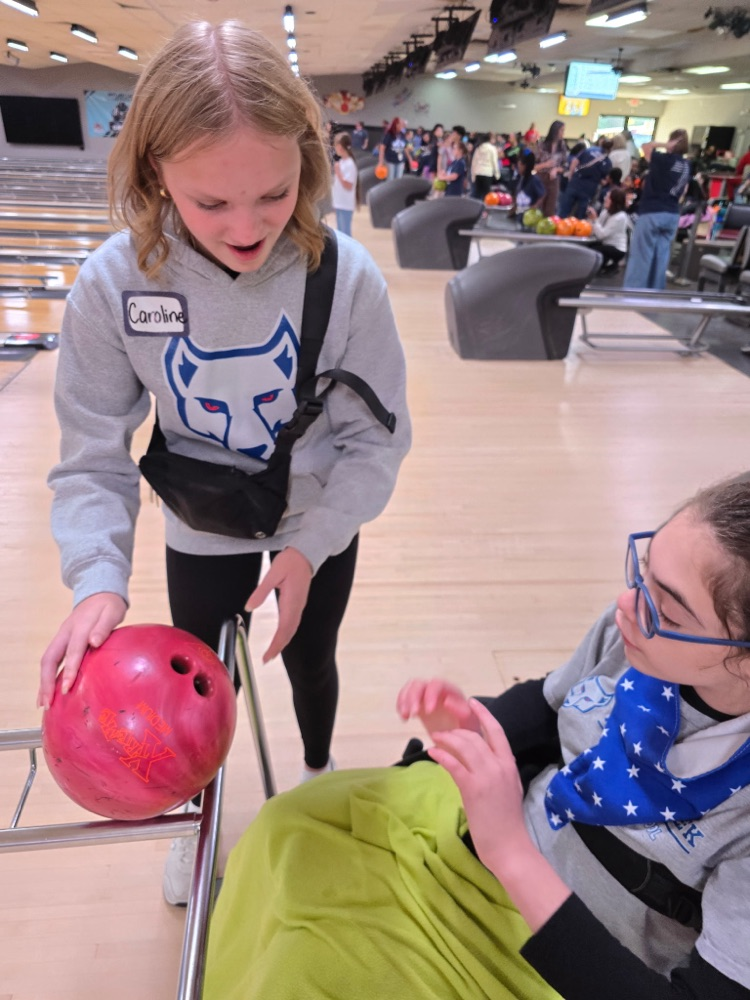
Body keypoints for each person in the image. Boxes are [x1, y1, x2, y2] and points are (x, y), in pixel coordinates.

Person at [39, 20, 411, 905]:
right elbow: (92, 451)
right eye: (210, 204)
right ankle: (200, 827)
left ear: (308, 169)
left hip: (312, 514)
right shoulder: (115, 285)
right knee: (192, 687)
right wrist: (97, 577)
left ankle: (318, 776)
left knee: (311, 654)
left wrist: (312, 543)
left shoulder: (348, 278)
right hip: (199, 519)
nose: (247, 227)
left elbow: (376, 441)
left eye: (275, 194)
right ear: (154, 173)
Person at [203, 475, 750, 1000]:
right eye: (642, 570)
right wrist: (470, 726)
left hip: (565, 957)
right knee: (289, 825)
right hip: (487, 849)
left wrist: (509, 851)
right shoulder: (628, 632)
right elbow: (548, 703)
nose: (628, 604)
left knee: (308, 970)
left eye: (666, 606)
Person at [623, 129, 691, 290]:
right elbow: (685, 189)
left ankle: (634, 293)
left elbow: (645, 146)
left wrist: (664, 145)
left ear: (672, 142)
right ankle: (655, 292)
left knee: (642, 254)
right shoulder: (687, 165)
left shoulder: (663, 160)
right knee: (661, 256)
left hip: (653, 211)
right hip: (672, 213)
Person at [557, 136, 613, 219]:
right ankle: (577, 228)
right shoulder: (607, 161)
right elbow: (604, 180)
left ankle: (560, 225)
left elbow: (575, 161)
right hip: (589, 187)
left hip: (576, 181)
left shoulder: (590, 150)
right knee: (581, 213)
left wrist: (571, 175)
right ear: (611, 149)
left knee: (564, 208)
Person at [587, 187, 630, 274]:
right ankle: (603, 265)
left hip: (616, 248)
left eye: (608, 197)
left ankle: (610, 264)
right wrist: (590, 222)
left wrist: (594, 220)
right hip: (606, 243)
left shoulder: (620, 217)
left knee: (595, 250)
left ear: (614, 201)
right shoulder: (605, 212)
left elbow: (602, 234)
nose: (605, 199)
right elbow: (597, 229)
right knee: (587, 246)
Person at [533, 120, 568, 217]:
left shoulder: (562, 146)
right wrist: (545, 165)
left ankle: (547, 226)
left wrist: (556, 169)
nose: (563, 133)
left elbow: (565, 166)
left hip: (554, 180)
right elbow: (533, 166)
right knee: (537, 203)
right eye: (562, 130)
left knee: (551, 206)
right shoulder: (541, 145)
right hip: (540, 178)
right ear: (555, 131)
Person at [331, 131, 357, 237]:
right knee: (340, 233)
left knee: (345, 233)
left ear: (341, 147)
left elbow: (348, 185)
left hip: (346, 204)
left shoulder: (350, 164)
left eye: (336, 146)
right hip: (339, 202)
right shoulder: (342, 162)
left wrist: (338, 173)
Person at [511, 150, 545, 219]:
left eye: (519, 165)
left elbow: (542, 195)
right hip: (519, 214)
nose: (518, 168)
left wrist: (534, 207)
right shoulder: (520, 178)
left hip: (529, 217)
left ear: (525, 166)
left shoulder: (534, 180)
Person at [470, 132, 500, 201]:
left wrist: (473, 175)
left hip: (478, 172)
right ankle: (485, 210)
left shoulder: (478, 148)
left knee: (477, 193)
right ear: (490, 139)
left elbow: (474, 162)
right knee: (486, 195)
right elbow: (494, 162)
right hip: (487, 173)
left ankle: (476, 210)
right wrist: (497, 174)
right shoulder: (492, 148)